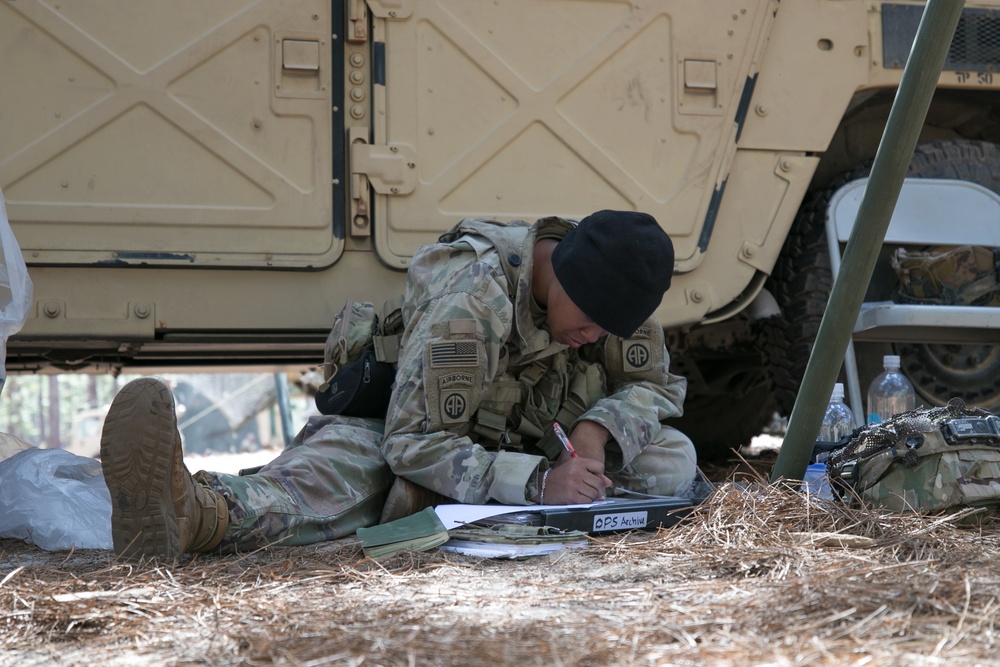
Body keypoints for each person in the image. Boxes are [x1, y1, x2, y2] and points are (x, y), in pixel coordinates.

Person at [100, 210, 698, 560]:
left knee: (672, 457)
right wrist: (541, 481)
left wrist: (599, 431)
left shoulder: (612, 293)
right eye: (588, 325)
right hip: (410, 444)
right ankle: (194, 512)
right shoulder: (472, 302)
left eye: (607, 331)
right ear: (563, 275)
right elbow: (412, 443)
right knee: (349, 478)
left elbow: (659, 387)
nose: (595, 341)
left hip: (532, 445)